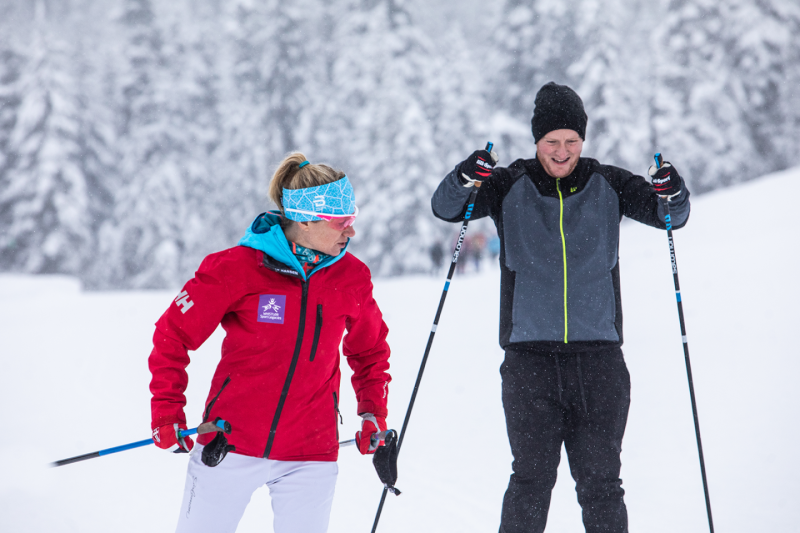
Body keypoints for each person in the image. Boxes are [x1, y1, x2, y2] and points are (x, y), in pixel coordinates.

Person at [431, 82, 690, 533]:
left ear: (583, 141)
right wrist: (464, 176)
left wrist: (675, 192)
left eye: (571, 141)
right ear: (537, 141)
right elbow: (447, 208)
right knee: (530, 482)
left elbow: (671, 215)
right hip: (529, 361)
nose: (562, 151)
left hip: (599, 361)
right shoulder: (509, 184)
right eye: (552, 141)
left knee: (602, 486)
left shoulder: (608, 183)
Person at [148, 152, 392, 533]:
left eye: (353, 218)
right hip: (227, 444)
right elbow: (172, 334)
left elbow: (370, 350)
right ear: (306, 221)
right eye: (342, 221)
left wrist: (371, 411)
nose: (351, 231)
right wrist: (166, 411)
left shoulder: (352, 278)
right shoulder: (236, 268)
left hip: (311, 453)